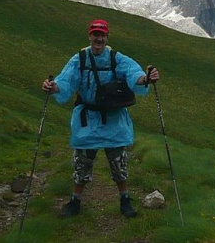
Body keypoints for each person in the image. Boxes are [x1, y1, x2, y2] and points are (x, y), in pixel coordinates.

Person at [42, 19, 159, 218]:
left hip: (113, 120)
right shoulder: (79, 59)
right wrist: (53, 87)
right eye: (95, 34)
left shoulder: (116, 58)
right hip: (87, 119)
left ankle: (125, 201)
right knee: (81, 164)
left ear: (107, 37)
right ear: (89, 36)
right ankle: (75, 202)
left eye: (102, 34)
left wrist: (145, 79)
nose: (98, 38)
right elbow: (65, 80)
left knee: (119, 163)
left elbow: (133, 73)